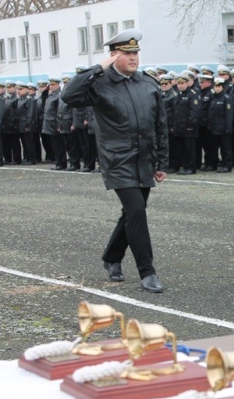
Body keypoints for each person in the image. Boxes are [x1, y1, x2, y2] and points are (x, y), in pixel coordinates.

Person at [61, 29, 169, 293]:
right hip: (117, 159)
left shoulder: (148, 83)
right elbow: (69, 95)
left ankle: (112, 257)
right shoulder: (99, 83)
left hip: (144, 159)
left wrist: (162, 161)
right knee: (136, 211)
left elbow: (160, 124)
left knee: (132, 213)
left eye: (135, 53)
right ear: (113, 56)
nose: (133, 58)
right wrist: (99, 68)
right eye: (127, 53)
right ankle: (147, 271)